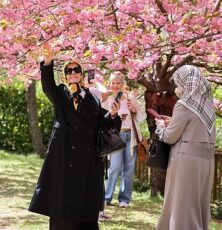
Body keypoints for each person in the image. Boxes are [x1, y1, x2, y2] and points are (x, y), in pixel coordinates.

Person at [28, 43, 121, 230]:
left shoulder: (91, 96)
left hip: (88, 159)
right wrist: (47, 62)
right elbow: (47, 85)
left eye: (76, 70)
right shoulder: (60, 93)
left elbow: (99, 122)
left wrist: (111, 115)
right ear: (64, 74)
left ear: (81, 72)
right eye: (69, 71)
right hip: (64, 155)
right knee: (62, 201)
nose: (72, 73)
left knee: (85, 203)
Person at [155, 65, 216, 230]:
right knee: (197, 203)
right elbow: (194, 130)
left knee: (181, 204)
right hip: (206, 162)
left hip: (185, 161)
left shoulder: (184, 104)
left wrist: (161, 126)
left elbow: (169, 137)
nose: (177, 87)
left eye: (178, 82)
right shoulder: (208, 106)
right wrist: (173, 122)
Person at [102, 72, 145, 208]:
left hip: (129, 135)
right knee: (114, 167)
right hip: (115, 136)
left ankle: (124, 199)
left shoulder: (129, 97)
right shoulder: (107, 99)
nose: (115, 86)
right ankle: (107, 197)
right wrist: (113, 116)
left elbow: (140, 116)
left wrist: (133, 110)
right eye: (113, 83)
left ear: (123, 84)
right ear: (109, 84)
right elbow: (103, 119)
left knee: (129, 168)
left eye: (118, 83)